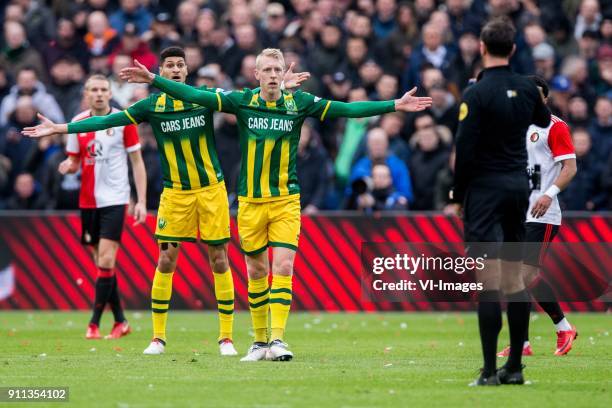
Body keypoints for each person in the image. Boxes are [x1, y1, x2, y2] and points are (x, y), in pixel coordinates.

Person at [118, 48, 432, 362]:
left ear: (283, 74)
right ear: (256, 74)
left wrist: (394, 104)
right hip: (250, 203)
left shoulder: (300, 103)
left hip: (286, 200)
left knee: (283, 266)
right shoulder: (242, 101)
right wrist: (155, 80)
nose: (271, 74)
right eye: (266, 70)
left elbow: (347, 109)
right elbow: (193, 94)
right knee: (256, 272)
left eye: (276, 69)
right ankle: (259, 342)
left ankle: (278, 340)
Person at [22, 46, 309, 357]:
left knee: (219, 260)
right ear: (161, 71)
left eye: (179, 65)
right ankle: (158, 338)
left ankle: (226, 338)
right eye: (169, 65)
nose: (175, 69)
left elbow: (246, 101)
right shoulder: (152, 105)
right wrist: (62, 128)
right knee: (165, 261)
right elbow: (110, 121)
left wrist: (279, 88)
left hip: (211, 190)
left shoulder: (202, 98)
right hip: (175, 195)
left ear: (186, 72)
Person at [452, 18, 551, 386]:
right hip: (517, 186)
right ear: (512, 49)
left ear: (481, 47)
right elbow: (542, 117)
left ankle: (490, 371)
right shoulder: (527, 87)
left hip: (484, 189)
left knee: (488, 281)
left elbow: (465, 148)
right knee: (515, 279)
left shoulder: (476, 93)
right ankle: (516, 369)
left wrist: (457, 194)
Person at [497, 76, 578, 358]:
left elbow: (569, 168)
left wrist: (549, 193)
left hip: (541, 212)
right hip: (516, 210)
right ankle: (523, 344)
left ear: (545, 99)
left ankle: (563, 327)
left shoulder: (555, 127)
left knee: (525, 273)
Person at [63, 74, 147, 339]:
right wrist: (68, 166)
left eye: (103, 89)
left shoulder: (123, 120)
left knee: (107, 259)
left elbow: (137, 162)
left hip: (115, 199)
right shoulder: (77, 123)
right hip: (88, 202)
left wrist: (141, 200)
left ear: (110, 93)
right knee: (102, 265)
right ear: (86, 94)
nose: (99, 94)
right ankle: (120, 321)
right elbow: (75, 161)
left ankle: (94, 323)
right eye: (94, 90)